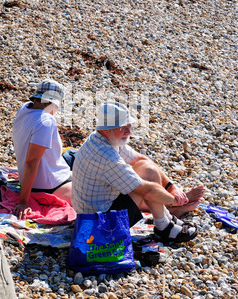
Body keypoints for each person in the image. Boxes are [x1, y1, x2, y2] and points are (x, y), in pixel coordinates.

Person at [71, 101, 205, 243]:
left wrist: (171, 187)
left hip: (94, 213)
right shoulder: (105, 155)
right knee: (145, 187)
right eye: (123, 127)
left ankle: (164, 222)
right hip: (97, 226)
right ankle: (165, 226)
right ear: (106, 130)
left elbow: (140, 159)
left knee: (147, 169)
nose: (128, 132)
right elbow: (146, 190)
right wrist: (175, 200)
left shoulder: (103, 137)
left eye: (129, 126)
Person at [12, 79, 72, 219]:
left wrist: (22, 174)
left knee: (77, 161)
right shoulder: (45, 121)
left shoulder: (25, 108)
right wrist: (23, 202)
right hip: (50, 184)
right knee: (97, 196)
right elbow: (32, 162)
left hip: (52, 174)